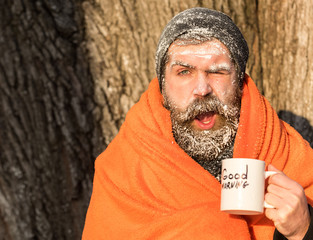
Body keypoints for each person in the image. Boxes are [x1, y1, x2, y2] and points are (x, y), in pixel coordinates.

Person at [82, 8, 313, 240]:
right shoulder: (122, 169)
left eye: (218, 72)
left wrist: (304, 228)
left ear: (240, 81)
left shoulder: (286, 153)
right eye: (184, 72)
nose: (202, 89)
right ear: (163, 85)